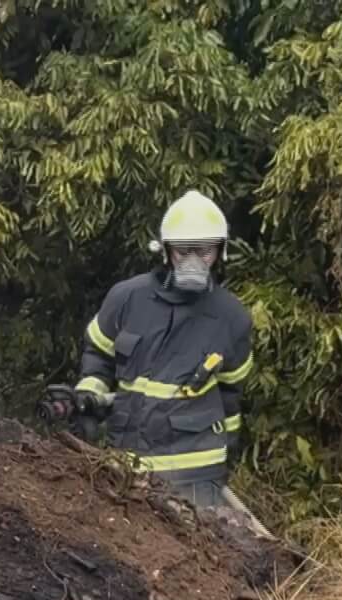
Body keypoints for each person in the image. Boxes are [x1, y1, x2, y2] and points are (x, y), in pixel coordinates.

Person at [39, 189, 257, 512]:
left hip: (196, 472)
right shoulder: (127, 299)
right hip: (127, 462)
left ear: (220, 252)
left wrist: (224, 462)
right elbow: (98, 357)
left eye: (205, 251)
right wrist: (87, 399)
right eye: (184, 251)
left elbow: (230, 396)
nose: (195, 261)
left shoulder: (232, 318)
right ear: (166, 251)